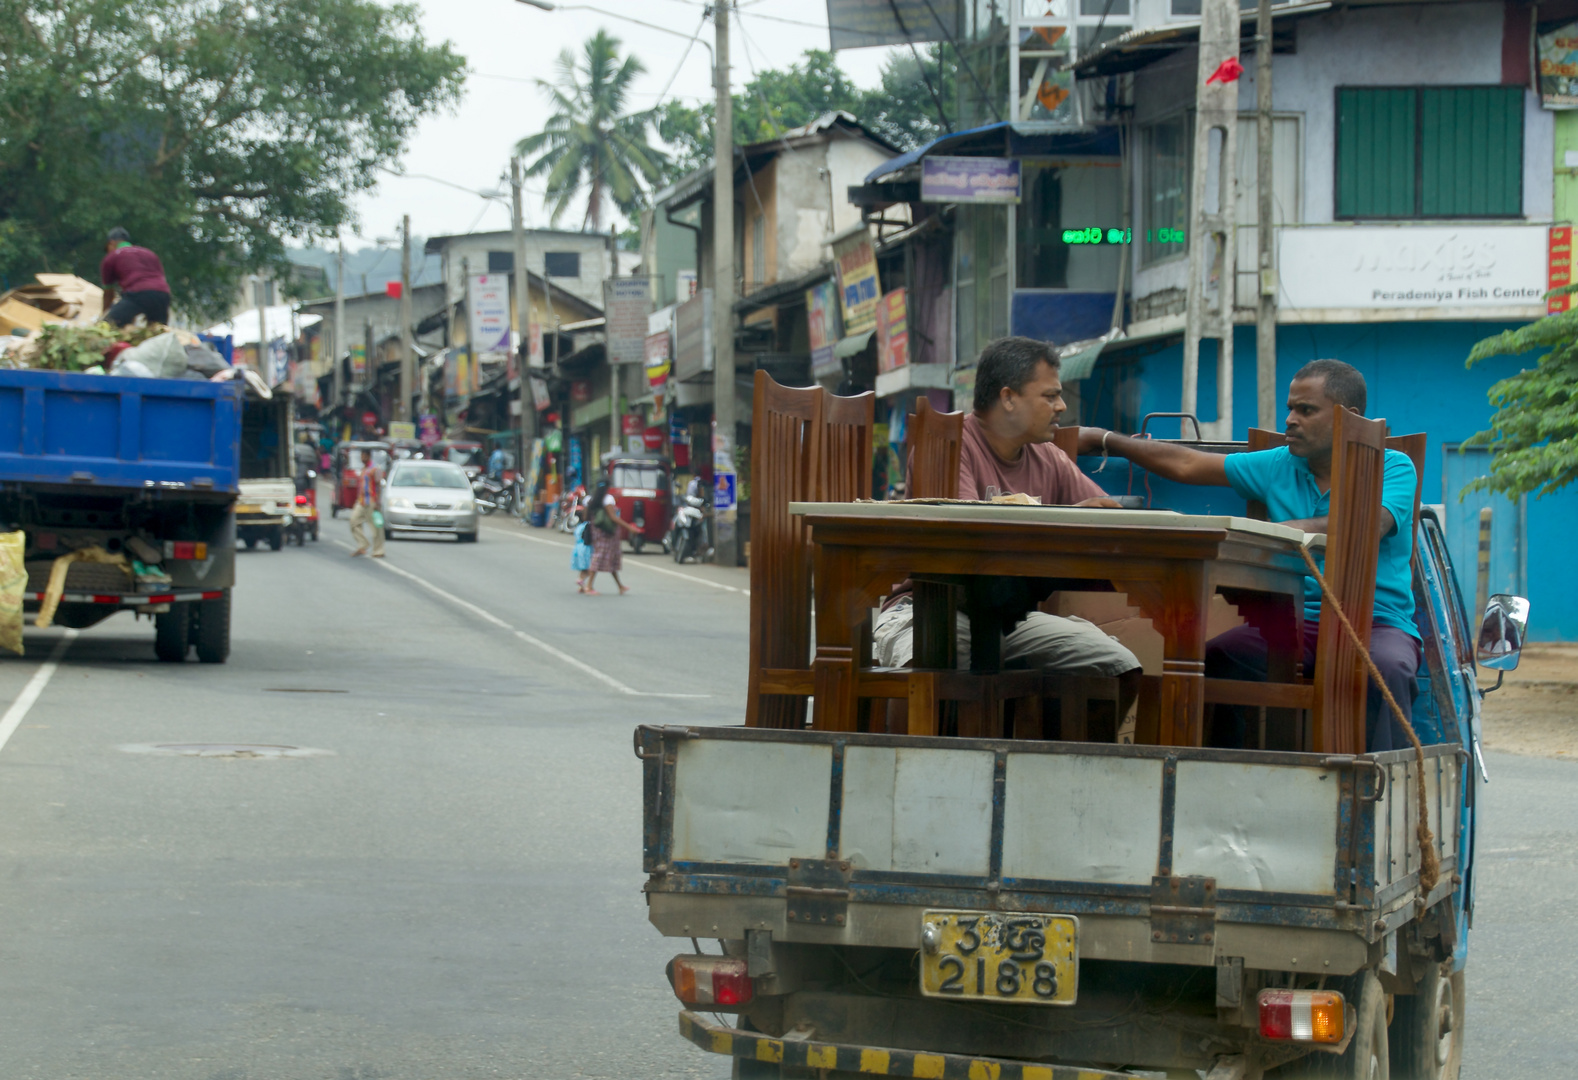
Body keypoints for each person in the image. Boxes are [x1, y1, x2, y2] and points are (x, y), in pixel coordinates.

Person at [1078, 358, 1418, 752]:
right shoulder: (1279, 463)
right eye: (1290, 408)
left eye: (1305, 410)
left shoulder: (1393, 467)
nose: (1290, 419)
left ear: (1350, 417)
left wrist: (1286, 530)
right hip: (1294, 624)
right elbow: (1188, 463)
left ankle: (1382, 791)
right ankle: (1221, 774)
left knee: (1390, 669)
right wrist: (1107, 439)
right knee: (1216, 660)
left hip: (1376, 624)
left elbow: (1368, 525)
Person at [872, 337, 1144, 728]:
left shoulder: (1048, 456)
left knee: (1118, 669)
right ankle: (904, 771)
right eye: (1050, 396)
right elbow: (968, 533)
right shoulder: (947, 445)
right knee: (935, 662)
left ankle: (1054, 779)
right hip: (927, 610)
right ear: (1008, 397)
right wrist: (1065, 518)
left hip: (1008, 621)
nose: (1062, 406)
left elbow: (1104, 515)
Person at [99, 227, 172, 328]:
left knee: (108, 326)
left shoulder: (111, 257)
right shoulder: (149, 253)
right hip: (162, 295)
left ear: (111, 243)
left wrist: (104, 315)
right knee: (157, 331)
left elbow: (108, 293)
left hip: (137, 294)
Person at [582, 478, 638, 595]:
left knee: (611, 558)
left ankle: (620, 586)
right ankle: (588, 586)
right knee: (599, 557)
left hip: (596, 531)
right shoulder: (607, 499)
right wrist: (629, 527)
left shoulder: (589, 500)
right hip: (608, 533)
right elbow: (613, 517)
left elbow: (585, 517)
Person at [348, 449, 385, 559]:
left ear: (368, 456)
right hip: (361, 500)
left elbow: (378, 486)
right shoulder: (363, 469)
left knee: (375, 527)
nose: (361, 458)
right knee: (353, 521)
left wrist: (378, 502)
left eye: (363, 456)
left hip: (372, 500)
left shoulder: (375, 469)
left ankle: (379, 550)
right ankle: (363, 544)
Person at [571, 519, 594, 592]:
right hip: (586, 548)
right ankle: (581, 580)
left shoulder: (580, 526)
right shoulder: (589, 526)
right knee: (591, 568)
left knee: (583, 568)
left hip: (577, 547)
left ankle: (581, 587)